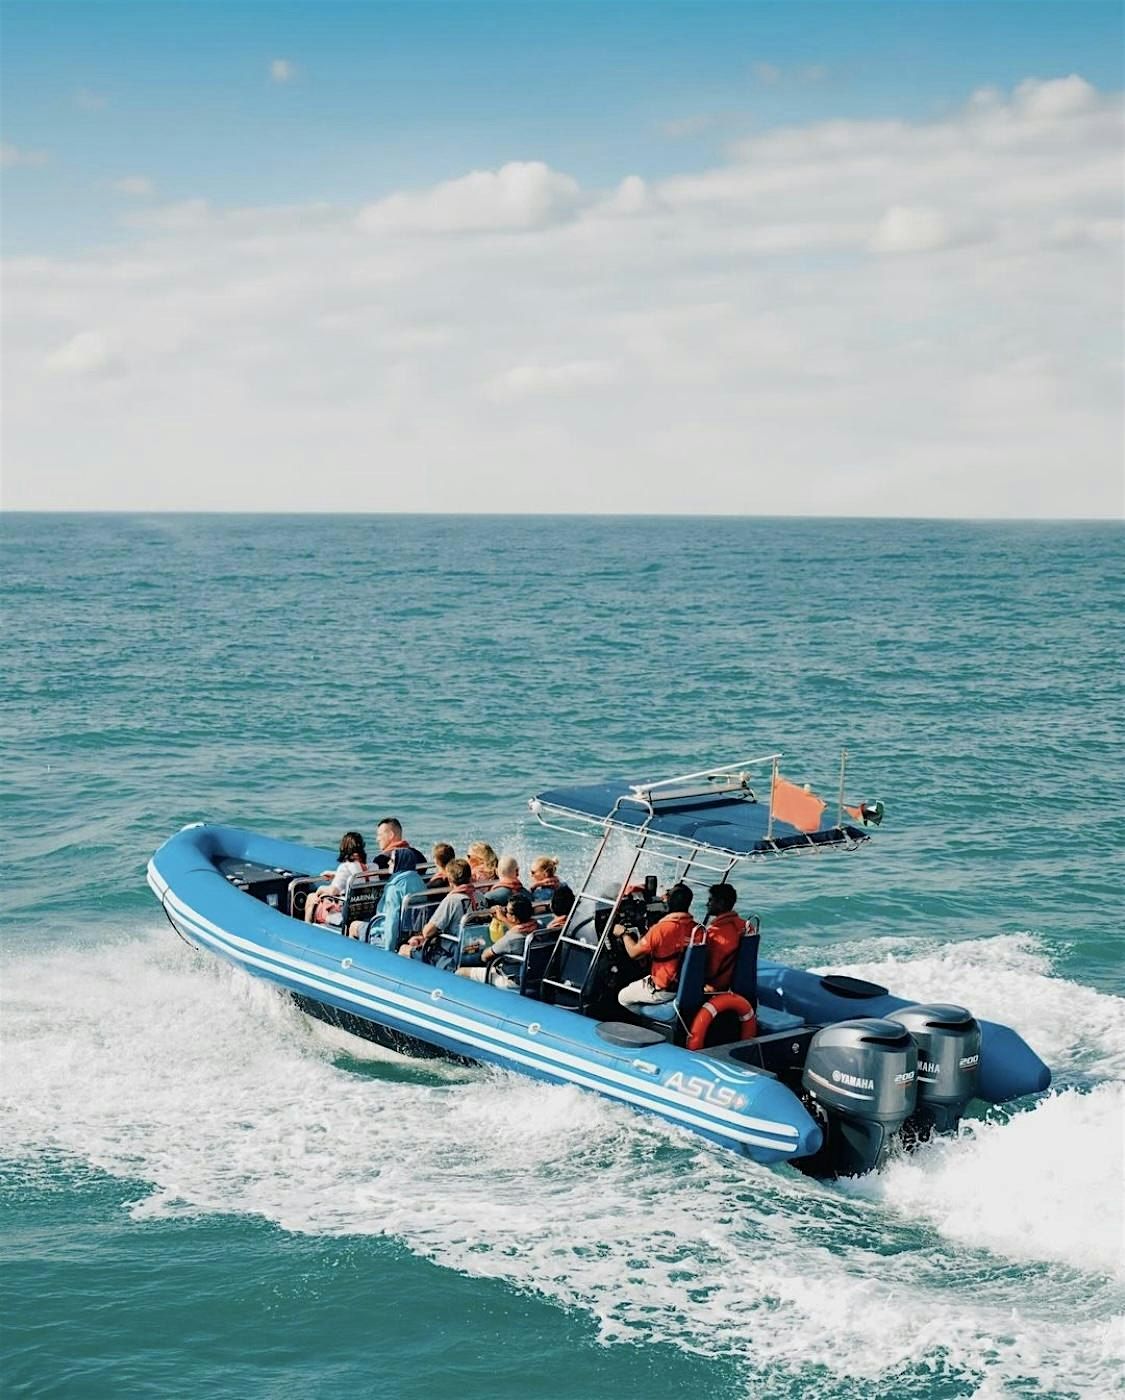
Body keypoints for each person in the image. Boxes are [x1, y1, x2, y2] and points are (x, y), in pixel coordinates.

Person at [617, 882, 698, 1010]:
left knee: (622, 997)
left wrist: (623, 934)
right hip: (685, 986)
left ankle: (649, 1020)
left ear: (669, 903)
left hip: (664, 989)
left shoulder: (661, 929)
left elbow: (634, 953)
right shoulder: (697, 929)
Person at [399, 857, 481, 958]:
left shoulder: (452, 900)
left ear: (450, 881)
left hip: (452, 950)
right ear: (469, 877)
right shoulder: (480, 896)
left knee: (404, 948)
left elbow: (428, 932)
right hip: (476, 945)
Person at [458, 894, 539, 989]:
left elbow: (485, 956)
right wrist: (503, 919)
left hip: (511, 981)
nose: (505, 913)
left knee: (461, 972)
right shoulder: (539, 928)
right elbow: (517, 928)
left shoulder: (511, 938)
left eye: (507, 912)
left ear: (514, 918)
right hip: (532, 976)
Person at [350, 846, 425, 947]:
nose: (388, 863)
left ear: (400, 863)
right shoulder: (419, 881)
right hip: (409, 933)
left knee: (353, 926)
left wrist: (388, 949)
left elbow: (392, 920)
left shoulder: (394, 887)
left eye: (392, 860)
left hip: (387, 934)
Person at [305, 831, 367, 924]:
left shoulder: (345, 867)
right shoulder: (371, 867)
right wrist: (336, 874)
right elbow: (356, 875)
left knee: (311, 897)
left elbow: (333, 891)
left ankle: (307, 929)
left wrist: (320, 890)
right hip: (363, 911)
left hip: (344, 913)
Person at [702, 883, 744, 994]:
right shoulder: (746, 927)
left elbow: (709, 972)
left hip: (716, 988)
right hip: (736, 983)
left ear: (720, 903)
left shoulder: (714, 935)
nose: (707, 904)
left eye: (711, 900)